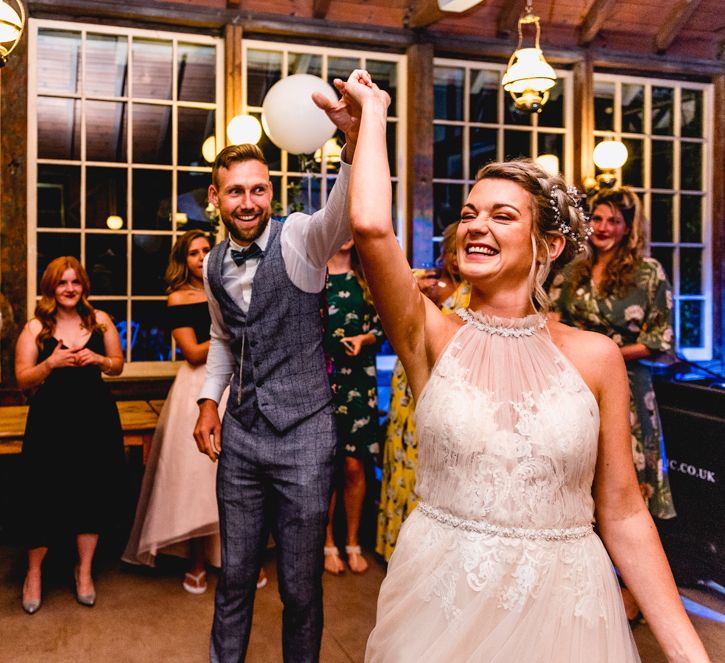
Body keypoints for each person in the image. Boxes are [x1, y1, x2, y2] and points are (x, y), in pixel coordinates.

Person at [341, 69, 710, 662]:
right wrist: (372, 118)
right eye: (470, 212)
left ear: (549, 245)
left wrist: (690, 653)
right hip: (444, 597)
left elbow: (622, 510)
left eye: (503, 215)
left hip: (565, 604)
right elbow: (370, 227)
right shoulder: (428, 332)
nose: (477, 226)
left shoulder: (596, 356)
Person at [192, 83, 361, 662]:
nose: (248, 201)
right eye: (235, 191)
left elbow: (338, 218)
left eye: (258, 189)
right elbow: (222, 339)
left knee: (299, 586)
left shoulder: (299, 239)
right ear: (216, 198)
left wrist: (353, 144)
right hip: (240, 436)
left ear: (271, 191)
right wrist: (209, 403)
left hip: (305, 437)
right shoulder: (212, 264)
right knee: (234, 576)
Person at [549, 185, 676, 622]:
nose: (603, 228)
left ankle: (634, 591)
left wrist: (602, 355)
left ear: (628, 227)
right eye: (597, 219)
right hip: (572, 386)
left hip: (628, 388)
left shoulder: (648, 273)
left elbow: (660, 340)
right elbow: (551, 319)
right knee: (579, 480)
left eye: (613, 221)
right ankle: (589, 581)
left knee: (629, 487)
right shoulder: (575, 270)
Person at [123, 230, 262, 594]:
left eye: (206, 250)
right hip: (198, 388)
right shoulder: (178, 297)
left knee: (243, 475)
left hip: (239, 383)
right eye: (193, 253)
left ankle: (243, 559)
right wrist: (234, 332)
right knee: (197, 478)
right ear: (182, 260)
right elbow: (192, 352)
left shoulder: (231, 286)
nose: (201, 257)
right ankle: (197, 561)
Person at [15, 256, 125, 614]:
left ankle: (85, 571)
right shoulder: (36, 328)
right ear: (50, 286)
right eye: (62, 283)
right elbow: (21, 378)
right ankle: (34, 574)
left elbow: (118, 365)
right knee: (40, 493)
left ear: (84, 286)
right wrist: (50, 364)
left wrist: (99, 360)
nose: (69, 289)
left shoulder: (100, 321)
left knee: (90, 490)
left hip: (94, 416)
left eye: (75, 282)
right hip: (51, 419)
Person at [375, 223, 469, 562]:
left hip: (455, 380)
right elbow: (388, 314)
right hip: (413, 378)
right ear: (445, 250)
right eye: (454, 249)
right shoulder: (425, 282)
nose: (458, 259)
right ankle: (399, 548)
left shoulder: (480, 289)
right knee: (407, 460)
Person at [323, 240, 383, 575]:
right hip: (322, 380)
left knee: (354, 466)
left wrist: (365, 340)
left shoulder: (368, 276)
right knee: (327, 467)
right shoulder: (315, 276)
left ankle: (353, 541)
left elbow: (386, 323)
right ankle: (327, 541)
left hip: (359, 379)